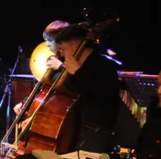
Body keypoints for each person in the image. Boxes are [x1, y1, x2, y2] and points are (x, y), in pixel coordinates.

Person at [50, 23, 121, 152]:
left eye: (62, 49)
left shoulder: (104, 65)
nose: (61, 54)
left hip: (96, 135)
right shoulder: (73, 69)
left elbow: (105, 93)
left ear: (75, 45)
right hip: (76, 132)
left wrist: (78, 72)